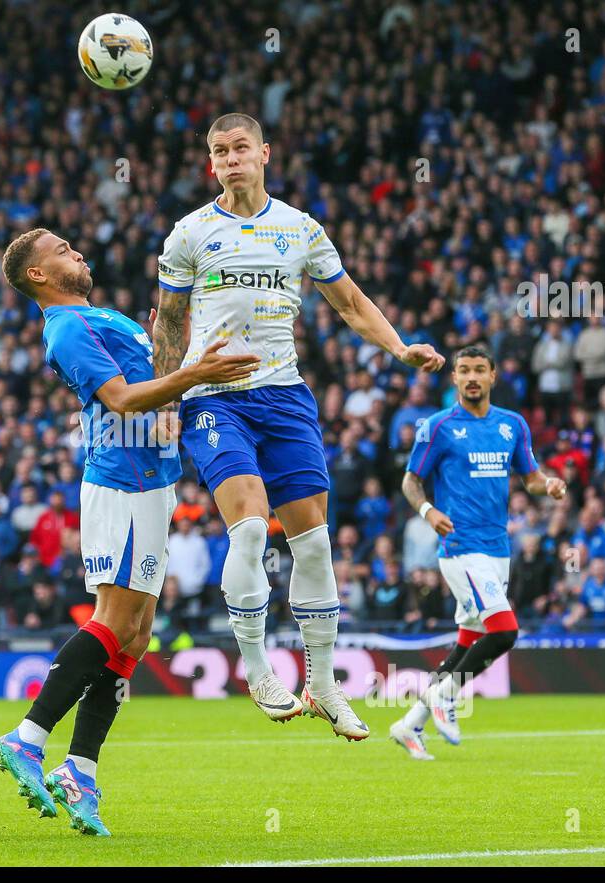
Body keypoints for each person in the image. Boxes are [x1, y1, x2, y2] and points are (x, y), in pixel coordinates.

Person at [152, 111, 443, 737]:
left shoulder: (300, 229)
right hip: (216, 399)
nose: (231, 160)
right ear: (211, 164)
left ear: (265, 154)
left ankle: (322, 683)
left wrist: (401, 348)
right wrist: (162, 395)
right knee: (252, 528)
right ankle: (257, 667)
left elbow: (351, 304)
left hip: (285, 399)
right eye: (220, 152)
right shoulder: (189, 234)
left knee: (313, 542)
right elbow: (170, 323)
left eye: (241, 149)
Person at [0, 227, 258, 835]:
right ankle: (28, 738)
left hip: (153, 479)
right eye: (61, 250)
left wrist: (183, 354)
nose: (76, 252)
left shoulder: (99, 317)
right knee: (113, 622)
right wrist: (193, 376)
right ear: (38, 275)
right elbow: (122, 398)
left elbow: (153, 393)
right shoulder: (66, 327)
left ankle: (80, 769)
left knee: (135, 638)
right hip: (122, 482)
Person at [389, 345, 566, 760]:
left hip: (497, 547)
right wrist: (427, 510)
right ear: (453, 378)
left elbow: (531, 478)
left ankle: (409, 724)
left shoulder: (512, 425)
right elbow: (410, 481)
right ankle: (445, 697)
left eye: (479, 370)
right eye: (463, 370)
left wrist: (551, 485)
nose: (471, 377)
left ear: (493, 376)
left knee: (470, 641)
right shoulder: (439, 427)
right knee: (505, 631)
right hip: (460, 547)